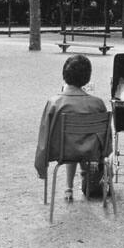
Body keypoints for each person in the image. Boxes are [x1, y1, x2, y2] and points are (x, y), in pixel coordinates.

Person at [34, 55, 107, 202]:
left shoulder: (54, 103)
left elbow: (43, 137)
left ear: (64, 76)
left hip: (64, 151)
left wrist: (41, 166)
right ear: (87, 78)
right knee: (80, 141)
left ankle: (68, 188)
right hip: (90, 152)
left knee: (71, 142)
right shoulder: (98, 103)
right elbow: (106, 137)